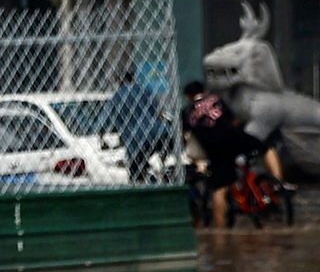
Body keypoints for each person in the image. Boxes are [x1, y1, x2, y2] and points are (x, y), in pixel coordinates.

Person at [184, 81, 282, 226]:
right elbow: (233, 120)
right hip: (234, 138)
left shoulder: (186, 112)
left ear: (188, 97)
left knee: (220, 188)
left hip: (215, 149)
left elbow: (185, 135)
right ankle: (278, 183)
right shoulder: (216, 99)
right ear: (204, 92)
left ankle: (220, 232)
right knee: (267, 148)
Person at [105, 71, 165, 183]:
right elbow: (158, 112)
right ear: (134, 79)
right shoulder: (144, 90)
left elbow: (111, 119)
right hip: (157, 132)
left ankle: (142, 186)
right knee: (158, 159)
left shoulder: (117, 96)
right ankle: (161, 177)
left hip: (134, 138)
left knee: (136, 167)